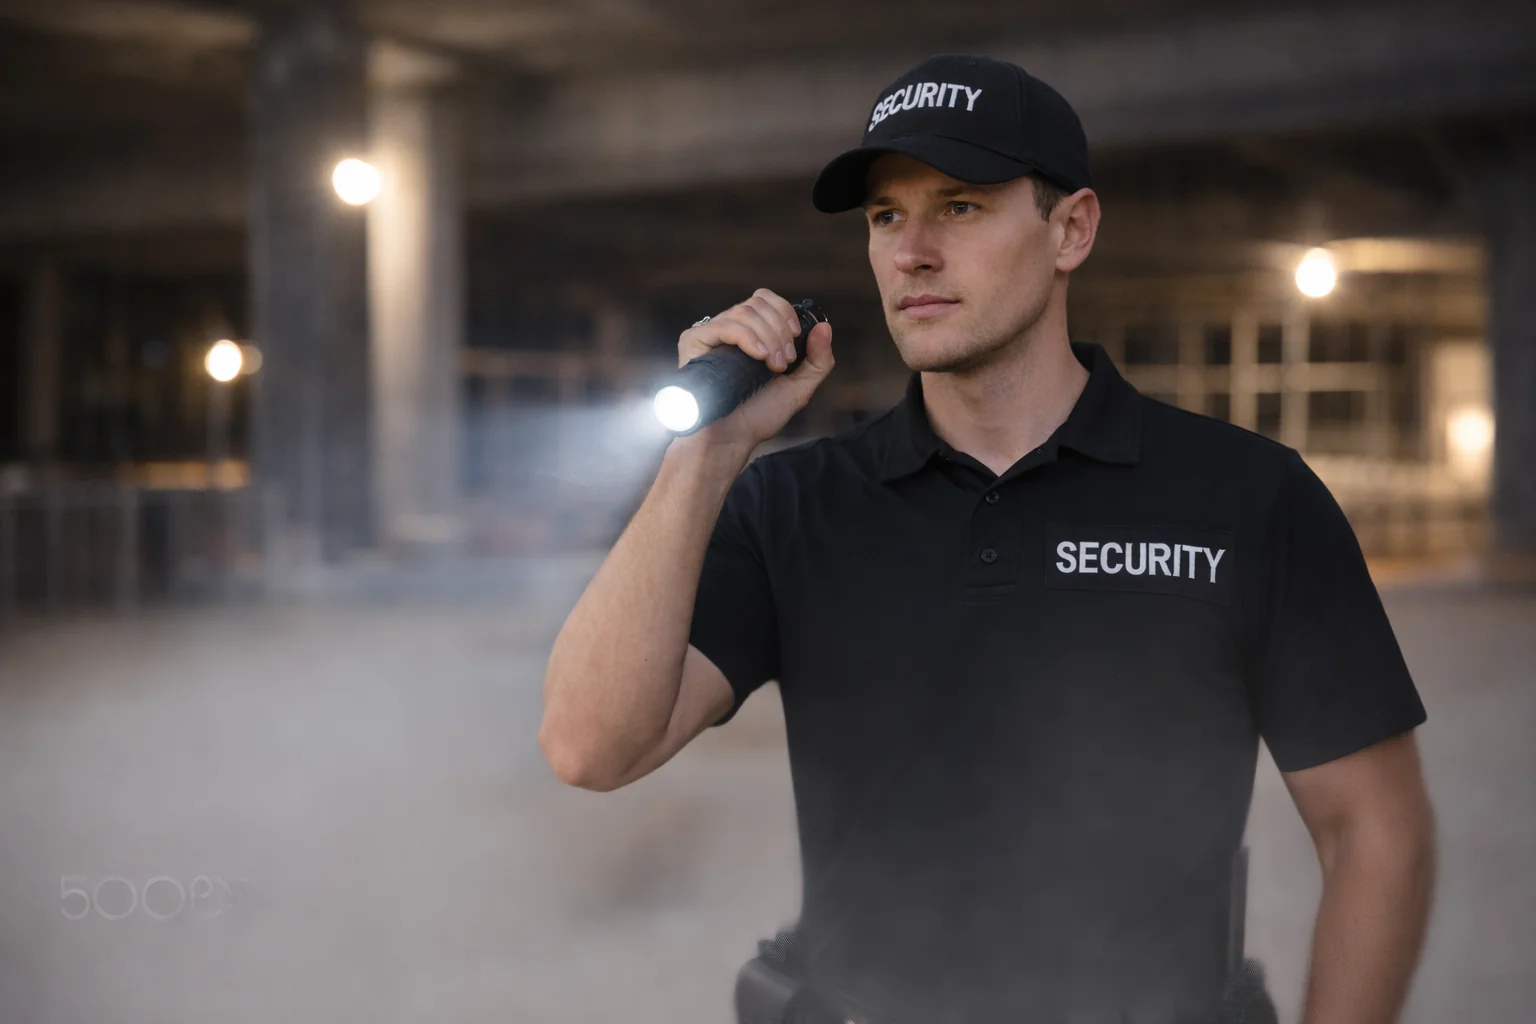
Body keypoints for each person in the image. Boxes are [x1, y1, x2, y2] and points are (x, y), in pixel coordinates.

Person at [539, 53, 1436, 1024]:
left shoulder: (1246, 498)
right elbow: (591, 746)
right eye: (886, 216)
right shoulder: (795, 505)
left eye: (959, 206)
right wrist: (704, 457)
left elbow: (1373, 831)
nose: (910, 250)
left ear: (1071, 229)